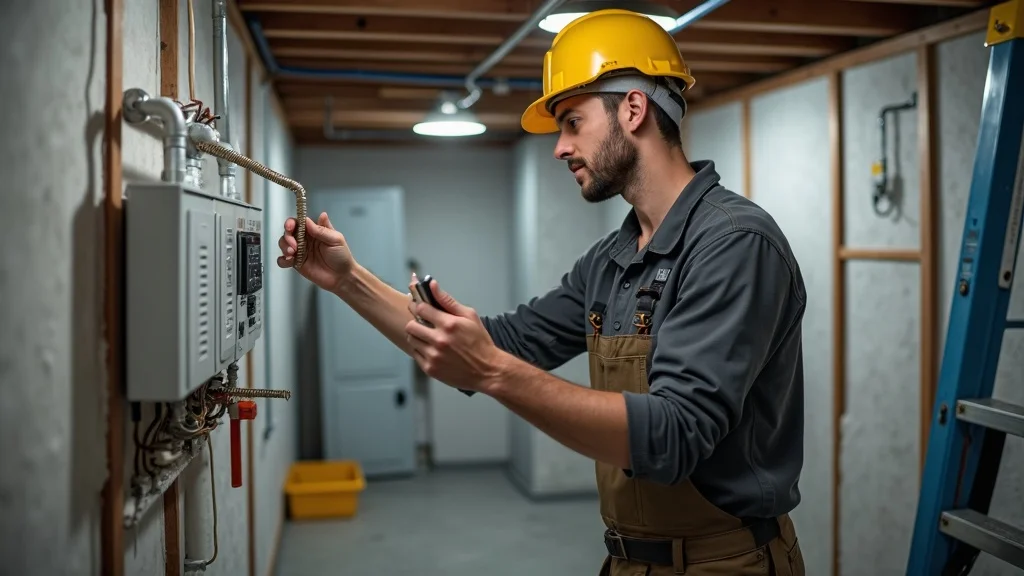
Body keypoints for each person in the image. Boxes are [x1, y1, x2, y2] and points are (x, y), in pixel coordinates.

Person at [277, 8, 806, 576]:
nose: (559, 147)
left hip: (727, 562)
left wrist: (492, 371)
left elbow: (674, 436)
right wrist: (347, 279)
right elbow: (496, 344)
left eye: (572, 122)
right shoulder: (611, 259)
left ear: (633, 108)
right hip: (631, 559)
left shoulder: (732, 244)